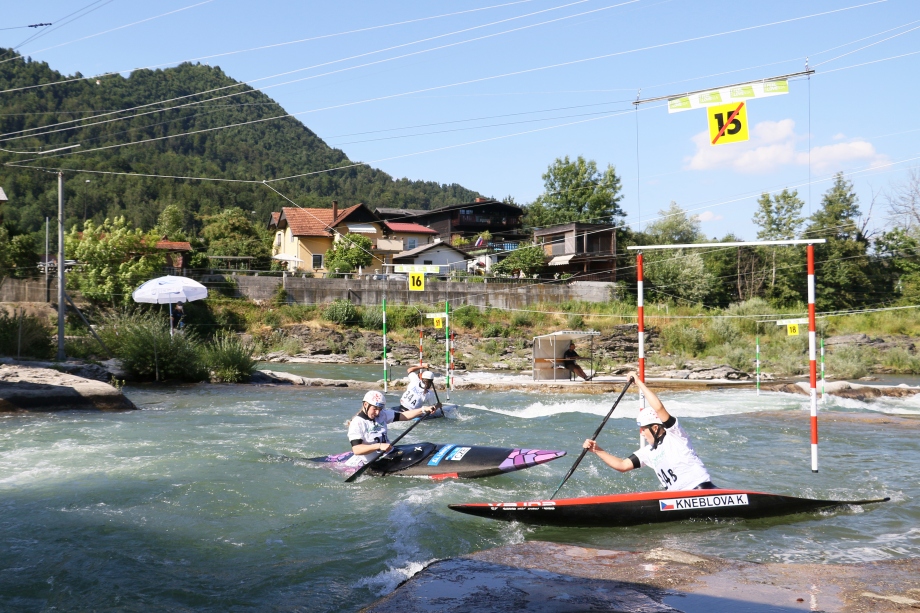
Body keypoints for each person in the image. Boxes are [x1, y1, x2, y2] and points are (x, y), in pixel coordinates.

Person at [583, 375, 717, 491]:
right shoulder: (648, 452)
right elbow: (622, 465)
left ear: (654, 428)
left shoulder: (676, 435)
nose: (641, 434)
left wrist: (638, 382)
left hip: (702, 490)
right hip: (677, 496)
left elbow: (659, 408)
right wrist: (597, 449)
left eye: (643, 429)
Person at [346, 390, 435, 468]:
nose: (377, 412)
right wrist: (379, 446)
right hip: (375, 461)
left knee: (422, 448)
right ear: (365, 404)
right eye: (375, 409)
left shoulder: (382, 414)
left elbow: (404, 416)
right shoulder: (357, 423)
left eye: (380, 409)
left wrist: (423, 409)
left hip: (389, 453)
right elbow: (356, 449)